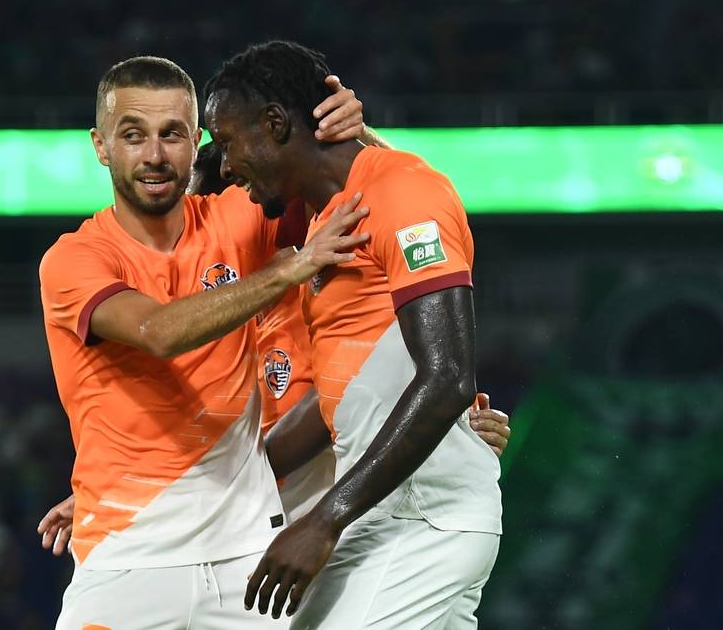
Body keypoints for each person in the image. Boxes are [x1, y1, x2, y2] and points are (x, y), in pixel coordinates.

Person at [39, 55, 370, 630]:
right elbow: (158, 332)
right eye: (133, 135)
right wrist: (286, 270)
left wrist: (356, 135)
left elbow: (381, 196)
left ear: (198, 143)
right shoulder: (74, 259)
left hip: (249, 563)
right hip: (127, 560)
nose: (154, 155)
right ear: (100, 146)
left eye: (172, 135)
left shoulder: (238, 218)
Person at [204, 40, 503, 628]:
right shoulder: (328, 221)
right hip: (377, 515)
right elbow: (339, 401)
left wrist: (324, 518)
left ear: (275, 124)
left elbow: (447, 378)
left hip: (426, 517)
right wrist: (192, 485)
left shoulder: (404, 191)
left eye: (228, 142)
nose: (226, 166)